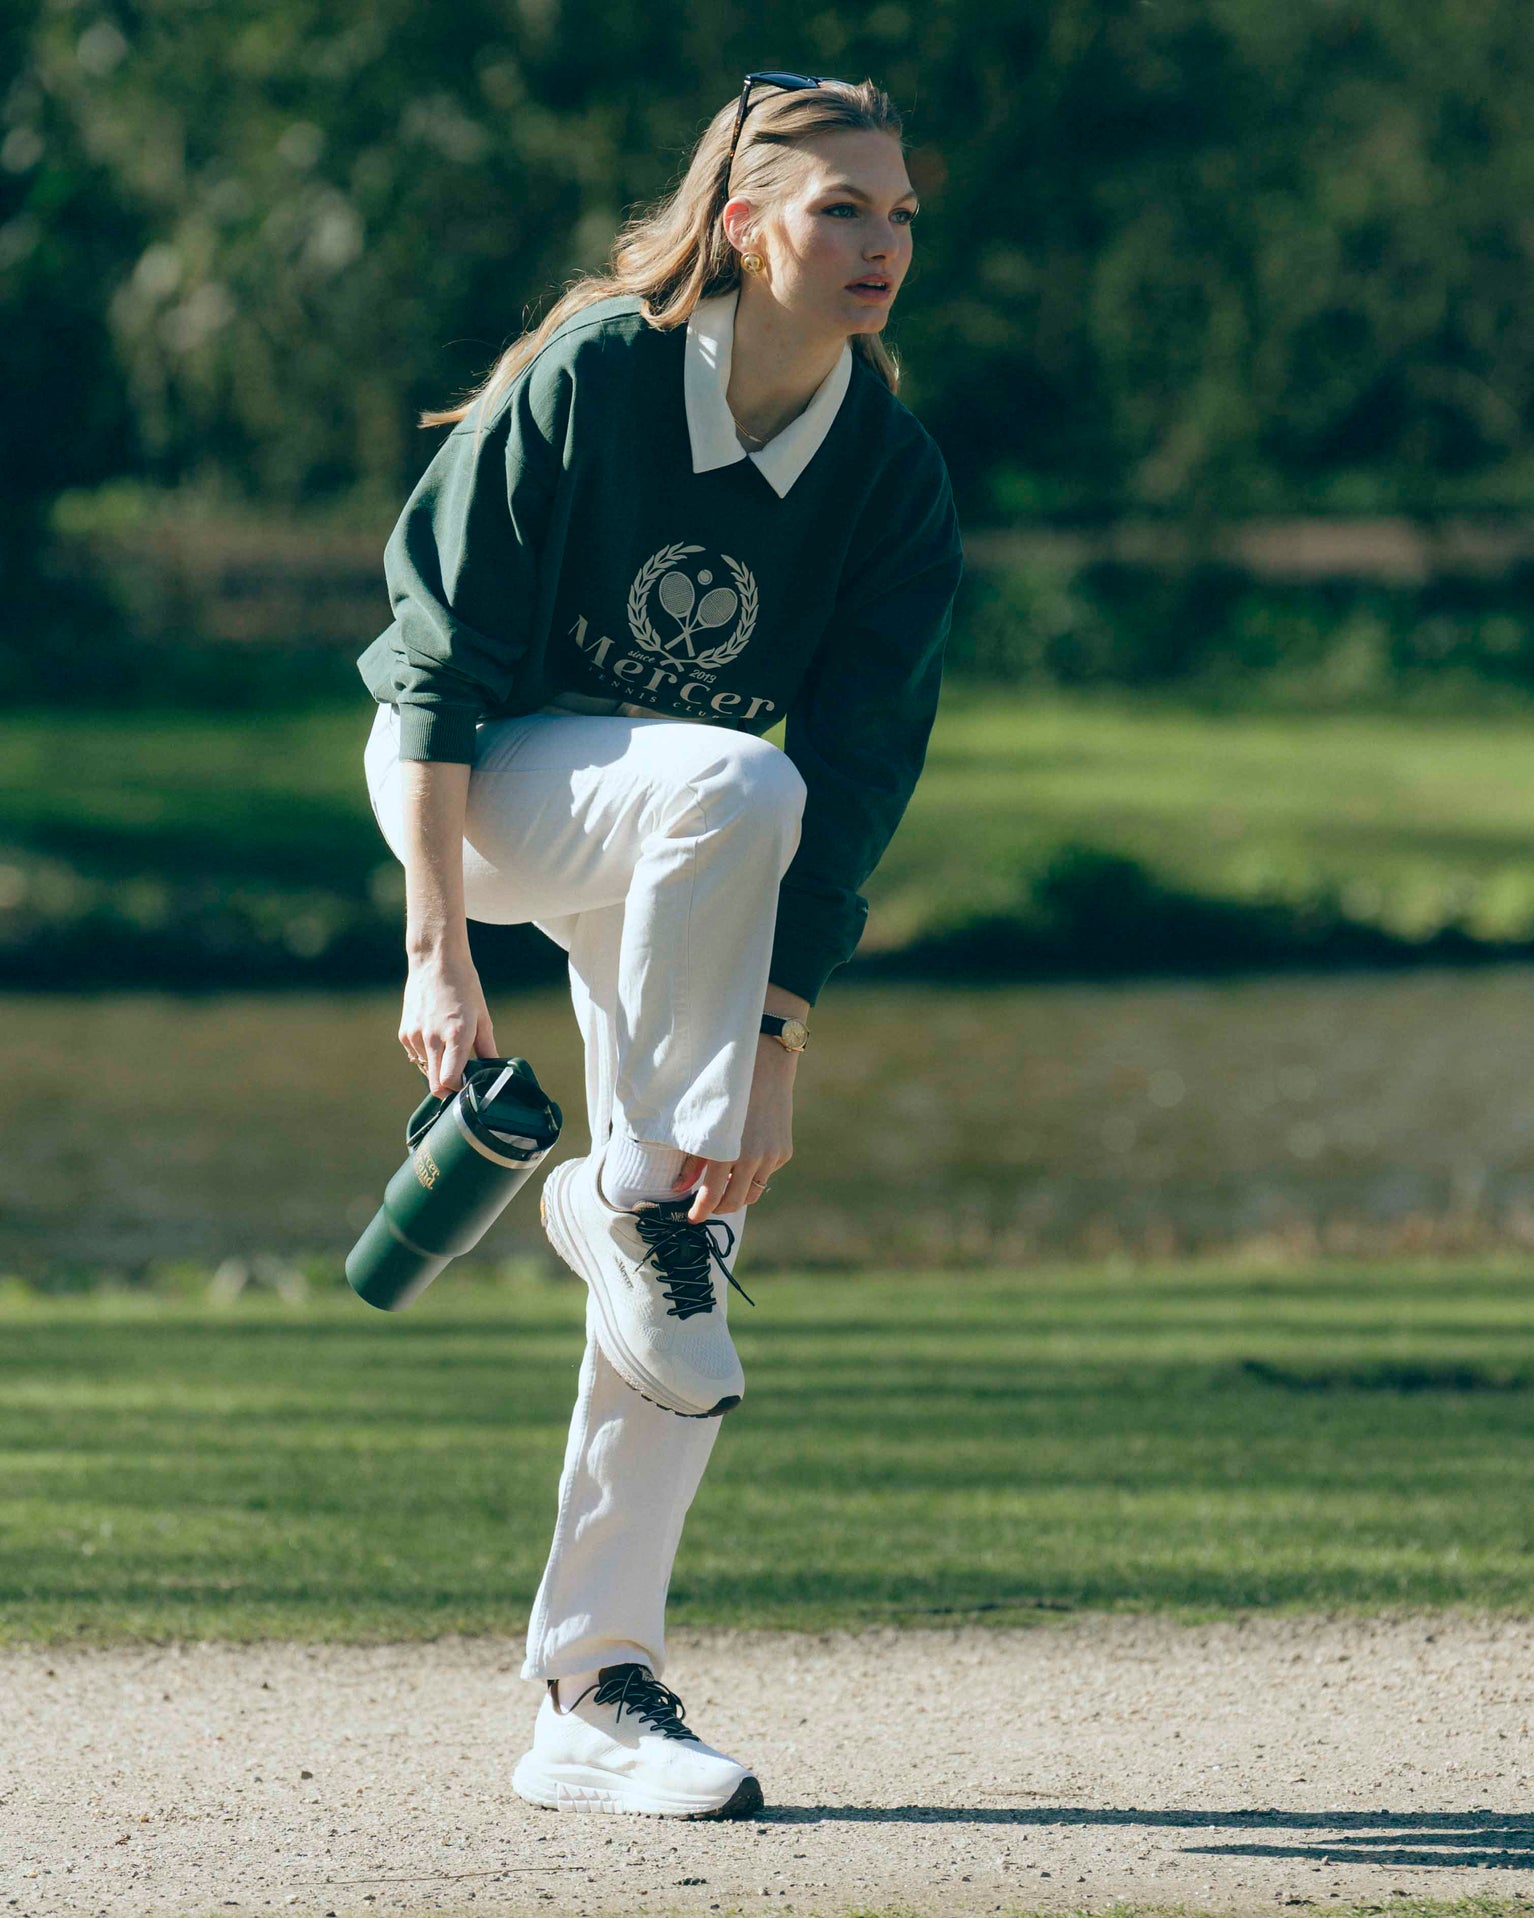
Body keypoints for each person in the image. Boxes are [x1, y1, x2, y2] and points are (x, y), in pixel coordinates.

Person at [358, 72, 964, 1819]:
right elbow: (435, 670)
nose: (880, 245)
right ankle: (621, 1194)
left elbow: (852, 785)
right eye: (843, 207)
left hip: (691, 837)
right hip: (466, 795)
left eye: (902, 213)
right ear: (741, 221)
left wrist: (770, 1043)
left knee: (686, 1248)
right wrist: (435, 954)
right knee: (726, 774)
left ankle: (593, 1687)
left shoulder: (890, 475)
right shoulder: (598, 379)